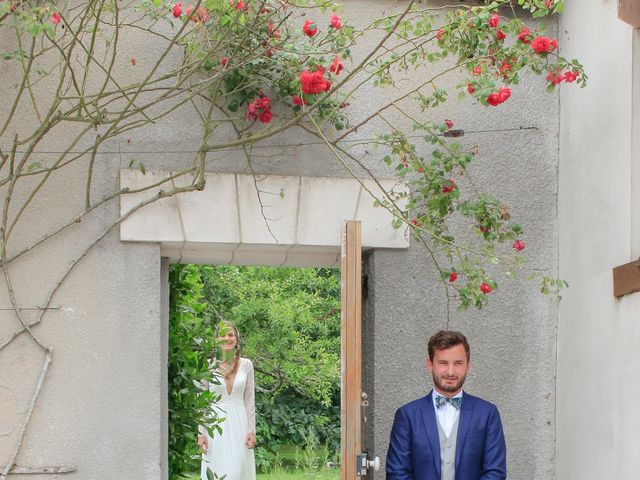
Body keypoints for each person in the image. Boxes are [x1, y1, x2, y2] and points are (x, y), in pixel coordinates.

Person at [386, 330, 506, 480]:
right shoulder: (407, 415)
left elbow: (495, 473)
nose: (450, 372)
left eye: (458, 363)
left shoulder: (487, 414)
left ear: (468, 365)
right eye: (443, 363)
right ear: (430, 364)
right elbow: (397, 474)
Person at [198, 321, 256, 480]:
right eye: (223, 335)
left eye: (230, 335)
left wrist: (252, 430)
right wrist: (201, 433)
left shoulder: (246, 365)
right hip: (215, 426)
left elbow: (250, 401)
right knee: (217, 469)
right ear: (216, 339)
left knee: (237, 471)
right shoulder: (207, 366)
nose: (227, 338)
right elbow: (202, 403)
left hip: (240, 424)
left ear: (236, 339)